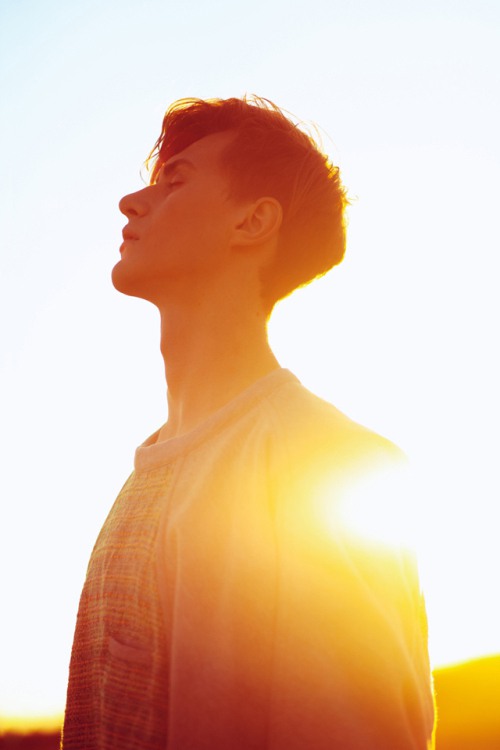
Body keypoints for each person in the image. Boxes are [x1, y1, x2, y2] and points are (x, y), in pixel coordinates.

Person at [62, 96, 435, 749]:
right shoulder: (145, 476)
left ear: (253, 221)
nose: (131, 202)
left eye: (175, 181)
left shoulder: (324, 465)